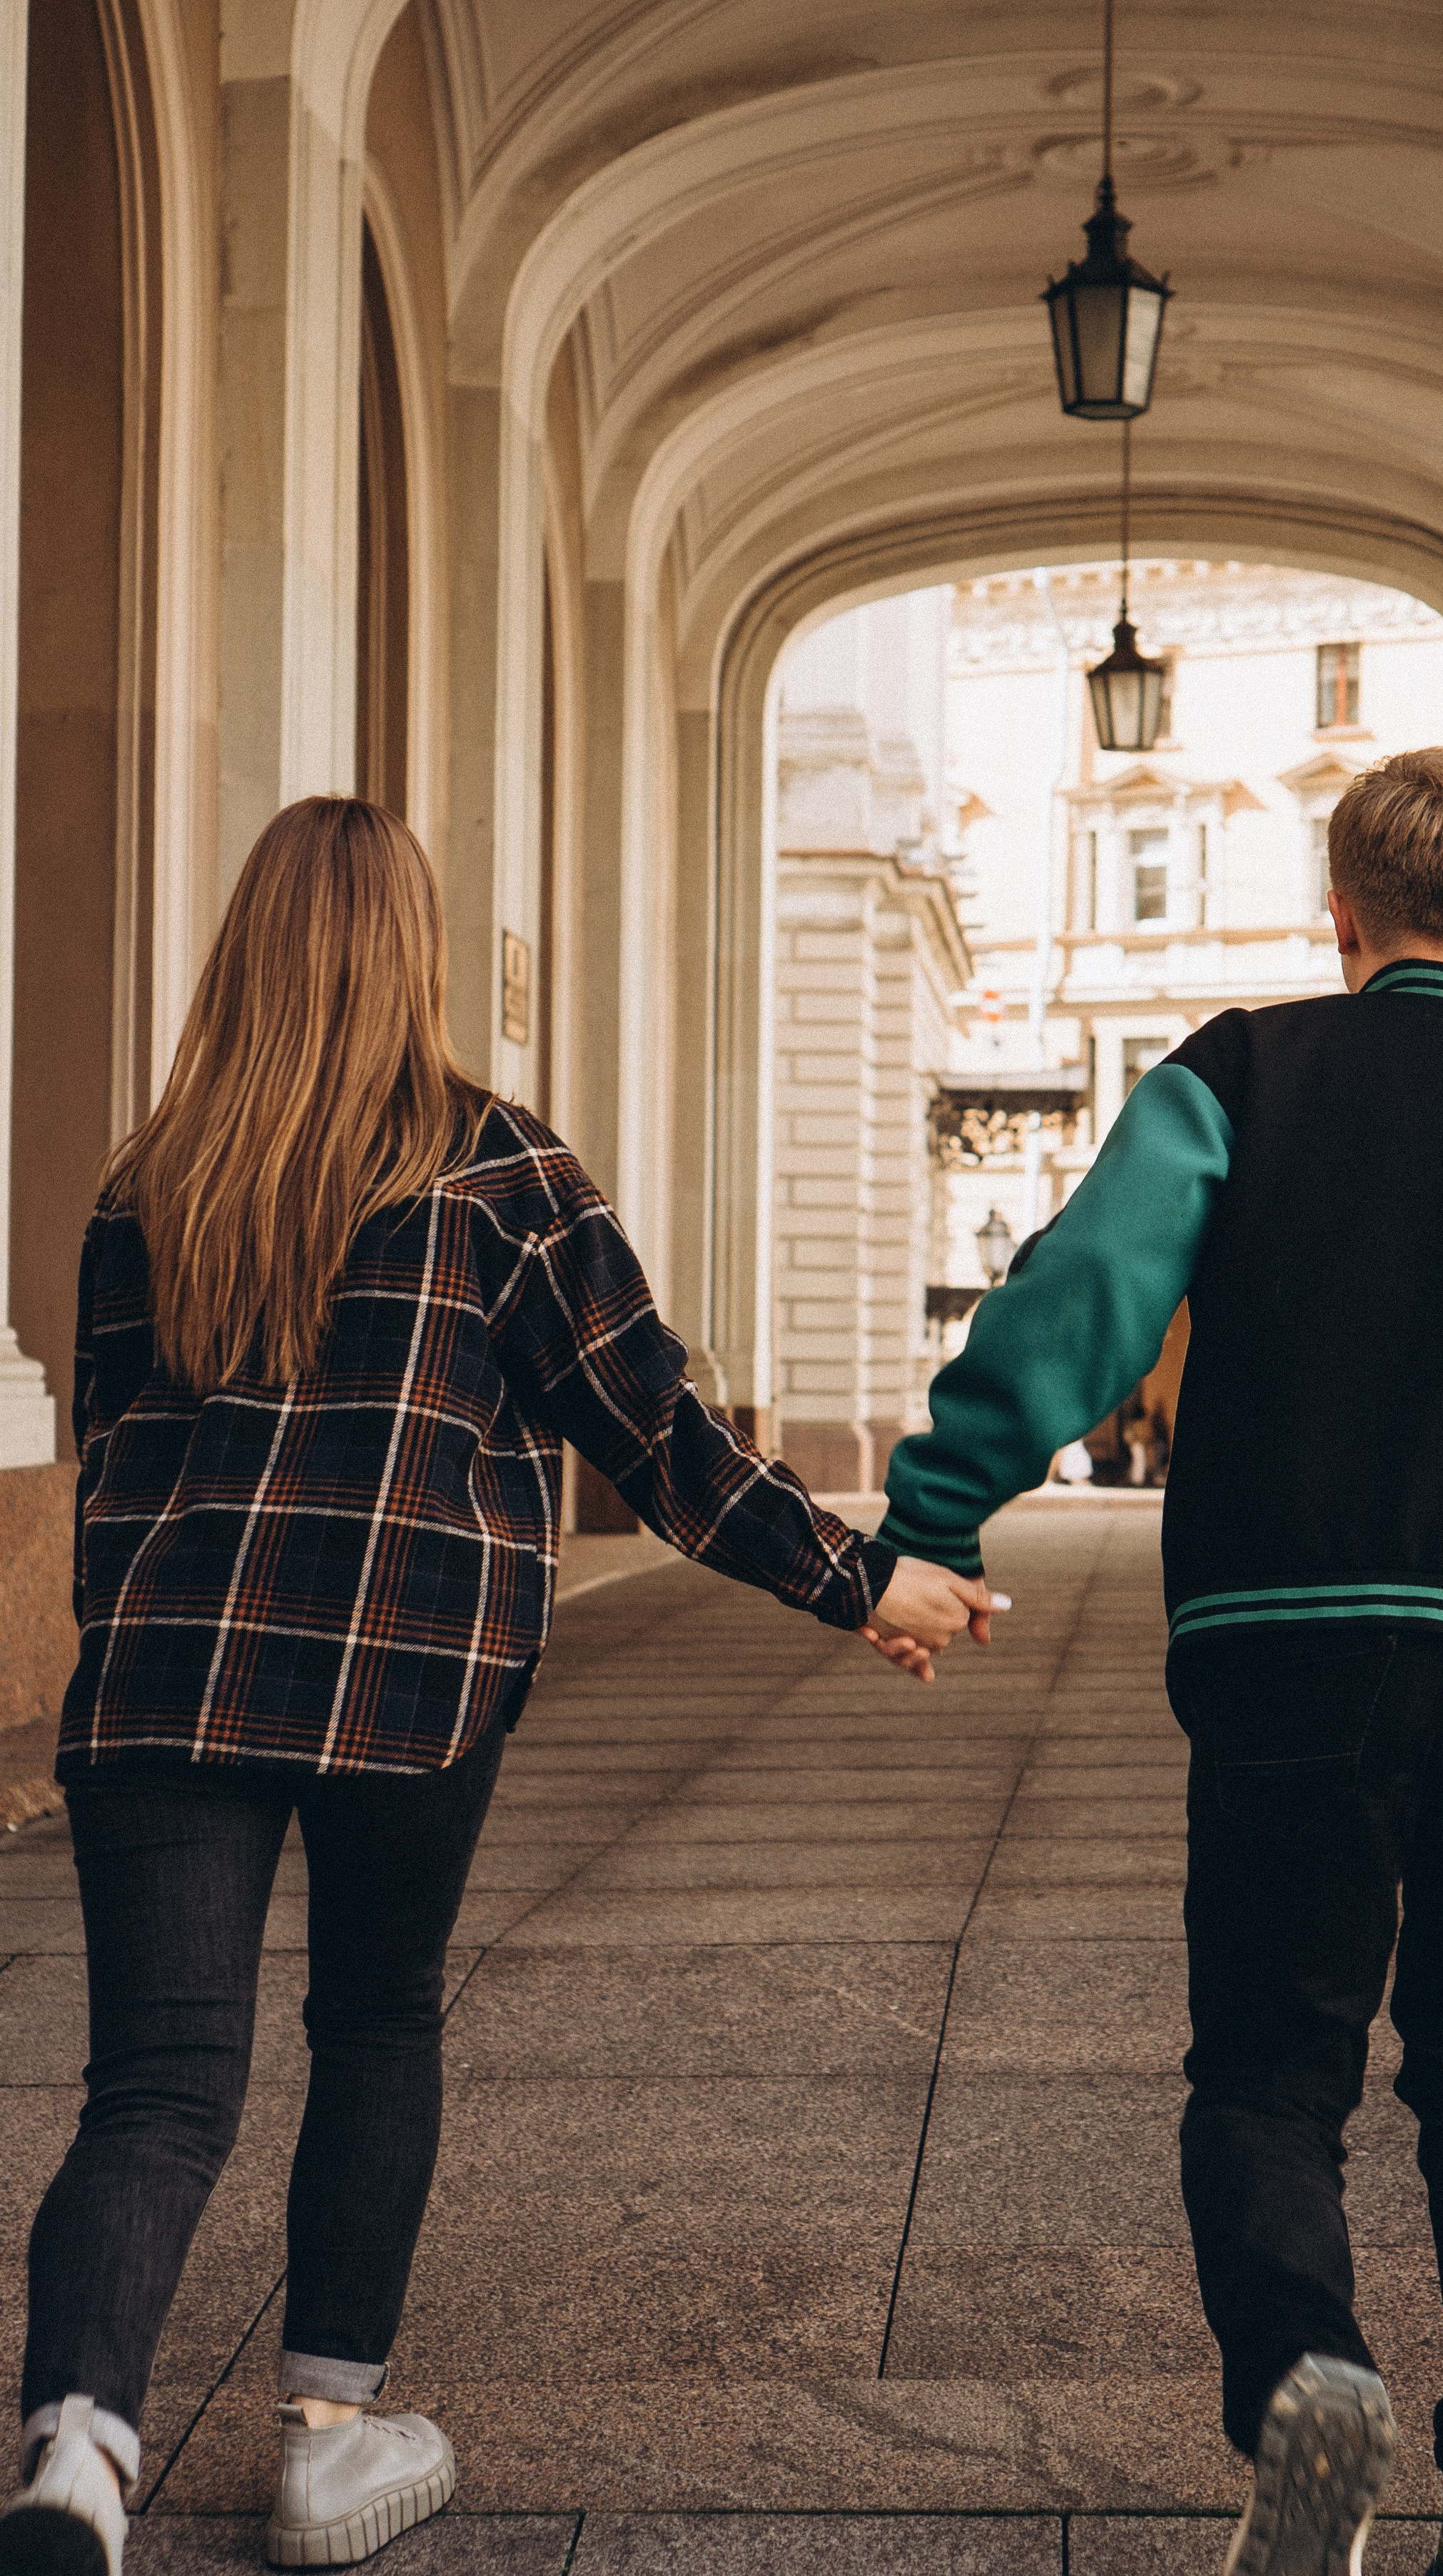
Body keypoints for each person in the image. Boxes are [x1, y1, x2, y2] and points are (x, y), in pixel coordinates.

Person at [0, 797, 991, 2576]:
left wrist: (126, 1633)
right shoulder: (505, 1176)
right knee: (373, 2023)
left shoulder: (153, 1178)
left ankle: (75, 2453)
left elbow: (107, 1440)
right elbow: (658, 1439)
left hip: (168, 1678)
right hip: (406, 1674)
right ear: (415, 954)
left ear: (243, 952)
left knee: (156, 2082)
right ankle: (323, 2441)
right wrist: (858, 1584)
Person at [874, 748, 1443, 2576]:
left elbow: (1084, 1292)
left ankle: (1306, 2372)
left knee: (1266, 2068)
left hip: (1295, 1644)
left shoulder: (1244, 1072)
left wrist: (941, 1504)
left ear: (1340, 912)